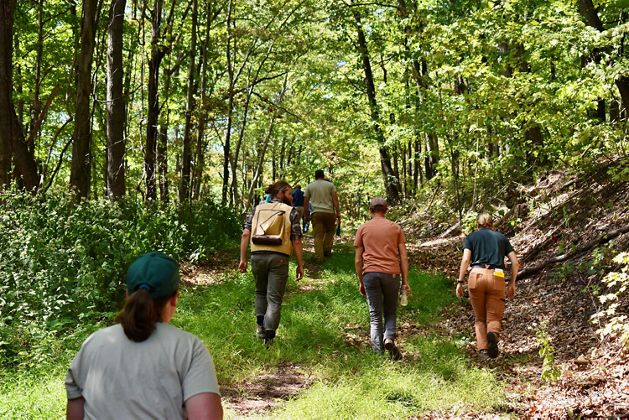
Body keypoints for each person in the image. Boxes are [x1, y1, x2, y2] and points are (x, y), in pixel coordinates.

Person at [65, 252, 223, 420]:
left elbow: (75, 414)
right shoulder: (188, 348)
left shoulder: (93, 344)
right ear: (174, 298)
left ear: (127, 295)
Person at [239, 180, 304, 345]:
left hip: (257, 255)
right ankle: (268, 338)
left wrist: (242, 258)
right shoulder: (291, 211)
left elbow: (246, 234)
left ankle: (260, 328)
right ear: (281, 193)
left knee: (260, 292)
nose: (292, 197)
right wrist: (300, 264)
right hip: (279, 256)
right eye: (289, 194)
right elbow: (296, 240)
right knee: (274, 298)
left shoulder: (257, 209)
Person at [456, 213, 520, 360]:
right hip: (496, 276)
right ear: (493, 224)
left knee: (479, 318)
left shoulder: (471, 237)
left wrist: (460, 282)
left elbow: (466, 260)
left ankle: (483, 350)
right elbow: (515, 262)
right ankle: (492, 334)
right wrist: (512, 283)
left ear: (477, 225)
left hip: (476, 275)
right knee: (494, 316)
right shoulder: (501, 238)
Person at [354, 198, 410, 360]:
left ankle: (377, 354)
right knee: (390, 310)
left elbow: (358, 259)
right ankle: (389, 337)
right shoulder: (395, 228)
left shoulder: (363, 228)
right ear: (386, 210)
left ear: (370, 210)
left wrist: (361, 280)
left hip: (370, 274)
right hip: (392, 273)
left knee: (375, 315)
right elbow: (404, 257)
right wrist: (405, 282)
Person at [303, 170, 340, 261]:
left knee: (318, 235)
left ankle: (319, 257)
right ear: (323, 176)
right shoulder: (330, 185)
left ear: (315, 176)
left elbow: (305, 201)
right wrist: (338, 213)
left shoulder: (310, 186)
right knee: (330, 231)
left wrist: (306, 214)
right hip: (329, 212)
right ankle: (327, 251)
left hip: (316, 213)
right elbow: (335, 200)